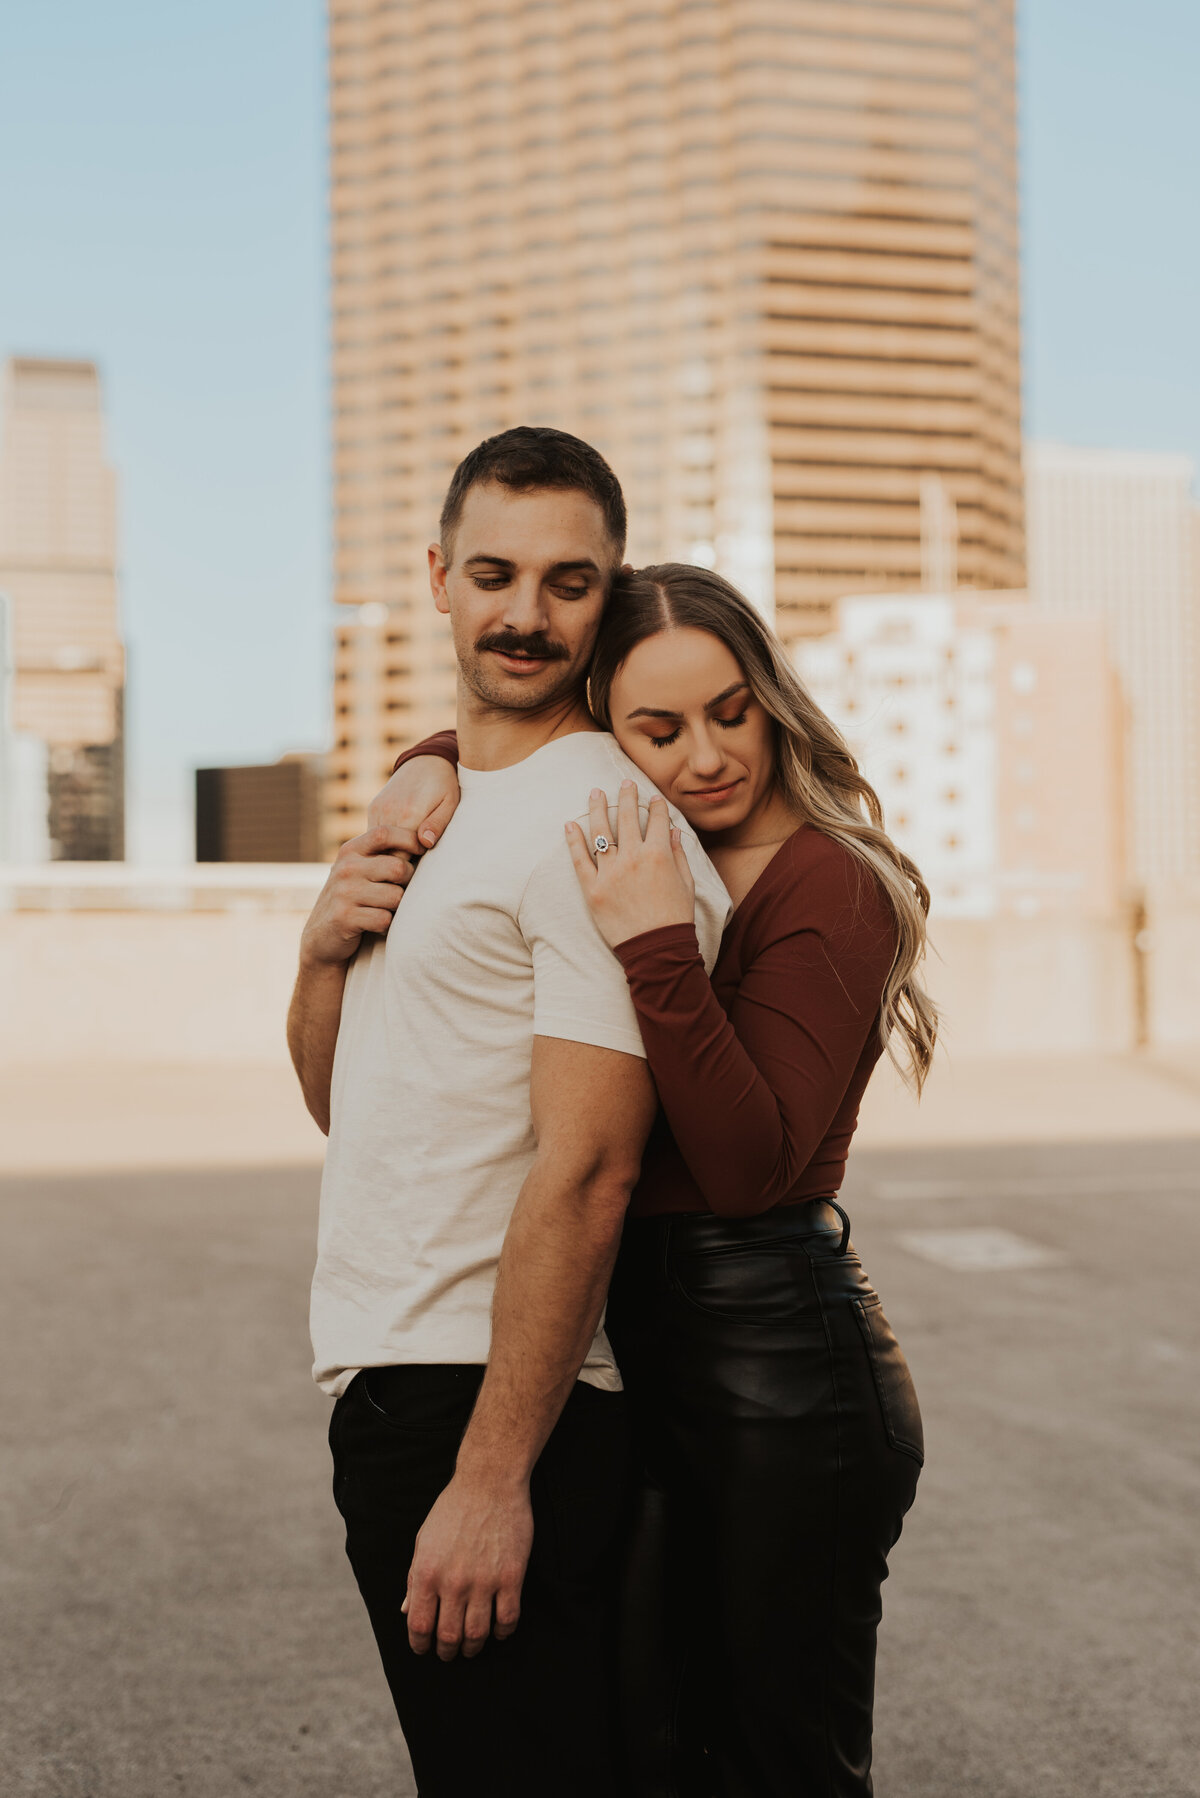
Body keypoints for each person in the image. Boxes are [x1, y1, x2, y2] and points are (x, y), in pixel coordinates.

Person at [374, 561, 937, 1797]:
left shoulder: (830, 882)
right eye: (659, 729)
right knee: (649, 1743)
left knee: (778, 1764)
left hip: (779, 1376)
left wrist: (656, 949)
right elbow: (512, 729)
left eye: (731, 711)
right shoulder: (644, 837)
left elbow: (746, 1168)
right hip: (642, 1358)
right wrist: (430, 755)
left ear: (773, 698)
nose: (706, 757)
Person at [287, 433, 729, 1798]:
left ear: (610, 593)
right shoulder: (447, 810)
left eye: (567, 580)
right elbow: (347, 1104)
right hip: (399, 1380)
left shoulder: (597, 821)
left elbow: (590, 1167)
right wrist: (319, 953)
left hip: (488, 1402)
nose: (526, 613)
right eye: (493, 573)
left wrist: (491, 1476)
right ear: (437, 576)